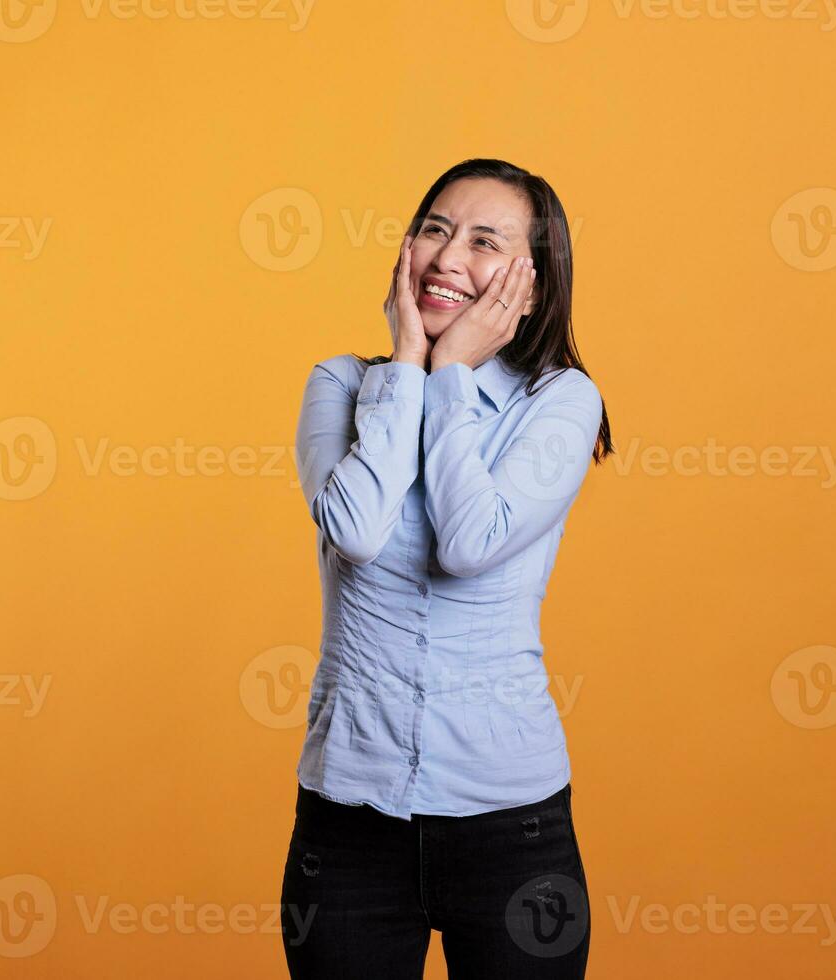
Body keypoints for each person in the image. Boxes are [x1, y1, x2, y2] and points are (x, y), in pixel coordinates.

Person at [280, 158, 614, 979]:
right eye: (435, 229)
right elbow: (355, 530)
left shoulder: (563, 402)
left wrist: (452, 373)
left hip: (512, 828)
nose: (447, 257)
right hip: (349, 827)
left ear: (532, 290)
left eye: (484, 241)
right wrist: (408, 365)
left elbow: (469, 541)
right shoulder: (340, 385)